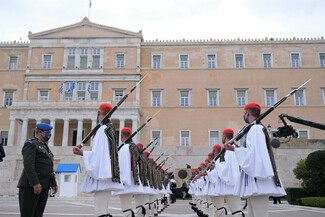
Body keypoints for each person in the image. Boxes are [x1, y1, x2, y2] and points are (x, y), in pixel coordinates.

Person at [225, 102, 286, 217]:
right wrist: (236, 149)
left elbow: (254, 155)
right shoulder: (255, 128)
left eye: (244, 113)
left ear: (247, 113)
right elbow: (251, 152)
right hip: (256, 180)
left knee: (259, 214)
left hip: (259, 179)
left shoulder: (256, 129)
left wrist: (235, 149)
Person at [73, 103, 124, 217]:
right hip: (107, 172)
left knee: (100, 210)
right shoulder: (110, 129)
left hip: (102, 174)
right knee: (104, 209)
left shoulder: (103, 130)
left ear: (98, 113)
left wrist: (82, 153)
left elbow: (98, 156)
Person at [17, 123, 58, 217]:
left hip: (43, 186)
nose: (49, 135)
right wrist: (35, 183)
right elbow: (28, 165)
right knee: (28, 214)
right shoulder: (31, 144)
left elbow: (49, 166)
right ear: (40, 132)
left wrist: (53, 183)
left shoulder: (44, 146)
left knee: (38, 214)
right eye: (48, 132)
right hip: (30, 187)